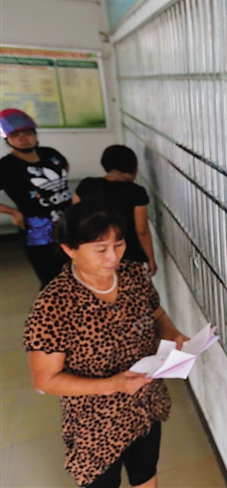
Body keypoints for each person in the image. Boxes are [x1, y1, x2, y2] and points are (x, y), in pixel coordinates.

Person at [24, 200, 188, 488]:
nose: (113, 257)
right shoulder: (54, 305)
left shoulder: (133, 275)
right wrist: (112, 384)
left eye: (119, 244)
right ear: (69, 250)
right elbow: (45, 380)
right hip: (95, 422)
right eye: (100, 249)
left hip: (145, 404)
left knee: (145, 472)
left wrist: (172, 334)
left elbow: (157, 313)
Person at [0, 108, 71, 287]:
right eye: (16, 135)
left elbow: (64, 167)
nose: (23, 138)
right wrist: (13, 212)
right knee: (51, 278)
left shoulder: (49, 153)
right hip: (38, 229)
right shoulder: (6, 166)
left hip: (69, 222)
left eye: (27, 133)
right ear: (7, 138)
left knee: (75, 270)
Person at [75, 144, 157, 276]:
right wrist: (150, 258)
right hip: (127, 255)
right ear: (132, 166)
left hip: (93, 254)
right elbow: (142, 230)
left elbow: (75, 219)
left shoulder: (86, 185)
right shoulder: (136, 192)